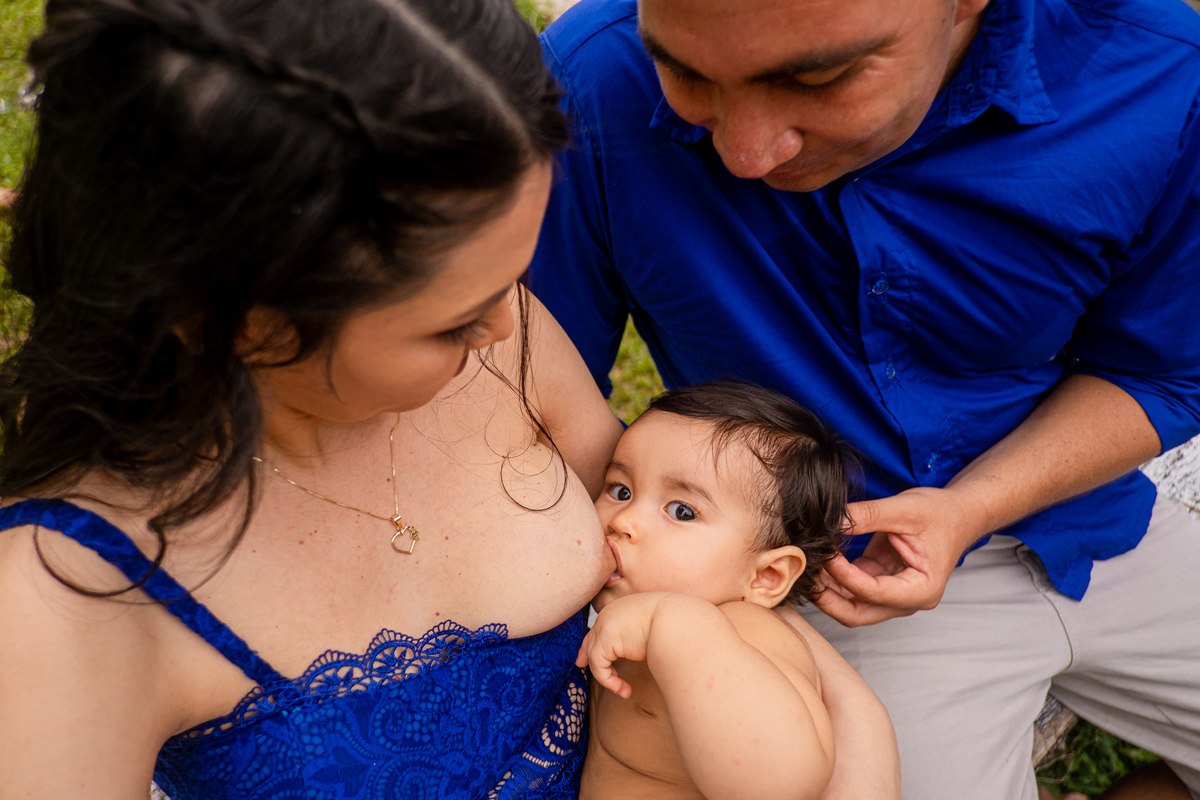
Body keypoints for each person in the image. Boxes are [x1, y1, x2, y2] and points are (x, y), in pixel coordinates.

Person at [0, 0, 897, 797]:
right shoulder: (69, 601)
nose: (507, 332)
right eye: (451, 321)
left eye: (508, 282)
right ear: (245, 322)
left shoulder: (498, 328)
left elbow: (725, 597)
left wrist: (856, 756)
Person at [528, 0, 1200, 797]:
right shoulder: (591, 80)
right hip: (842, 584)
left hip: (1101, 517)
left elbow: (1163, 369)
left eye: (818, 76)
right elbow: (531, 386)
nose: (744, 152)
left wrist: (970, 509)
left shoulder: (1160, 73)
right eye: (688, 74)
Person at [578, 382, 892, 800]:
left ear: (767, 577)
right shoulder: (628, 601)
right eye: (621, 491)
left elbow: (780, 780)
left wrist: (674, 625)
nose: (624, 520)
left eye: (682, 511)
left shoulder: (747, 633)